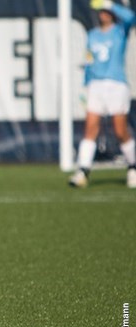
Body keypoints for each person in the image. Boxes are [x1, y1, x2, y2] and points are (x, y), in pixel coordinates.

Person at [70, 0, 136, 188]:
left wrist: (111, 4)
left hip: (116, 84)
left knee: (120, 130)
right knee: (90, 128)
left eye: (107, 11)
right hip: (96, 86)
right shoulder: (92, 35)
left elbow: (132, 17)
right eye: (101, 11)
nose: (103, 14)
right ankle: (82, 171)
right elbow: (90, 62)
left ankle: (133, 166)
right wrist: (86, 85)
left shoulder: (119, 31)